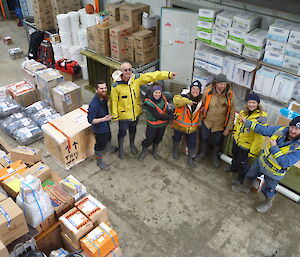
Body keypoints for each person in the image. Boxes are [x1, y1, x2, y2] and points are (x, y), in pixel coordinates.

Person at [232, 116, 300, 213]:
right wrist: (247, 122)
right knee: (250, 175)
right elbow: (263, 129)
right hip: (261, 162)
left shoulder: (298, 147)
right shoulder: (279, 130)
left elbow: (285, 163)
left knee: (269, 189)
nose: (293, 131)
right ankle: (245, 188)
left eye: (297, 129)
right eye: (292, 127)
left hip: (274, 172)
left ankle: (268, 203)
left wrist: (274, 147)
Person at [110, 62, 175, 159]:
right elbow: (113, 101)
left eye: (129, 69)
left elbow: (151, 76)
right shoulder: (115, 86)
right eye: (125, 70)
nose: (128, 72)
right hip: (123, 116)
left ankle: (132, 145)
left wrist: (168, 75)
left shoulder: (136, 79)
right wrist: (115, 116)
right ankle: (121, 149)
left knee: (133, 130)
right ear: (121, 71)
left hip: (135, 113)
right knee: (122, 132)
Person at [228, 93, 268, 184]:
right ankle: (233, 168)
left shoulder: (261, 118)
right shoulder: (243, 112)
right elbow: (238, 125)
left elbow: (260, 138)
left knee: (243, 163)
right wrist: (234, 135)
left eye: (253, 103)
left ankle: (240, 179)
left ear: (258, 104)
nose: (251, 105)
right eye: (249, 102)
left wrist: (253, 152)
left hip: (246, 145)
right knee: (235, 157)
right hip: (237, 141)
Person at [198, 80, 236, 168]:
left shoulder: (230, 96)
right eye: (220, 84)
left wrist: (228, 128)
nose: (222, 86)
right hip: (207, 122)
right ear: (216, 84)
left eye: (224, 84)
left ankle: (215, 157)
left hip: (219, 125)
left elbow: (232, 113)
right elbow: (202, 105)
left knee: (217, 142)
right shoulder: (208, 91)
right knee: (204, 138)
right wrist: (200, 120)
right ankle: (202, 153)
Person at [172, 80, 202, 168]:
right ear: (190, 89)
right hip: (179, 126)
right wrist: (187, 101)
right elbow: (175, 101)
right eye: (193, 89)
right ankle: (174, 152)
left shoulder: (201, 100)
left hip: (192, 128)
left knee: (192, 143)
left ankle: (189, 160)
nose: (195, 91)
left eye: (197, 89)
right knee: (176, 138)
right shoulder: (183, 96)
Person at [138, 84, 173, 160]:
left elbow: (166, 106)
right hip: (152, 125)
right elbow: (157, 116)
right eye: (155, 92)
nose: (157, 94)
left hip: (162, 125)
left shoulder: (163, 98)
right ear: (152, 92)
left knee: (158, 138)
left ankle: (154, 151)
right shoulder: (148, 103)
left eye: (159, 92)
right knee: (149, 139)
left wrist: (170, 111)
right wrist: (170, 117)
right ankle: (144, 150)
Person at [87, 80, 113, 170]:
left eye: (105, 88)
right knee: (100, 145)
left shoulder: (104, 97)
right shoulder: (94, 105)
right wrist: (103, 119)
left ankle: (108, 148)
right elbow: (90, 120)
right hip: (99, 129)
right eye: (101, 88)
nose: (104, 90)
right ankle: (99, 161)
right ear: (96, 90)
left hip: (106, 124)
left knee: (109, 136)